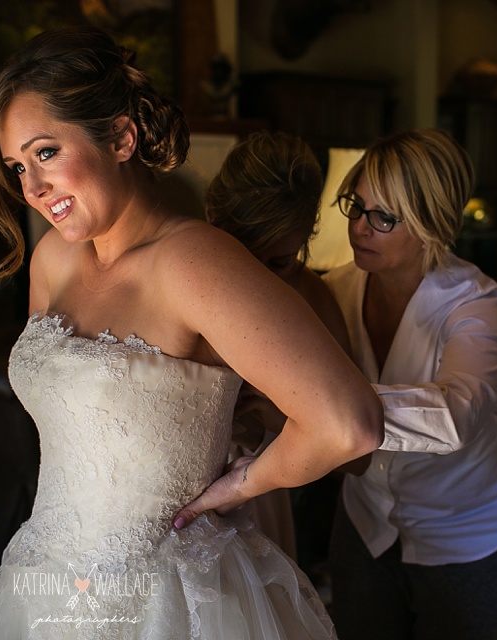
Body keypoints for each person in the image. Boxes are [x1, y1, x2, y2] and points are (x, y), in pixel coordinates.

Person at [0, 25, 383, 639]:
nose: (31, 188)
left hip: (168, 598)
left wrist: (238, 486)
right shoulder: (53, 258)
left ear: (121, 137)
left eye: (46, 152)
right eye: (16, 166)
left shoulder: (195, 262)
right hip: (49, 578)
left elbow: (348, 423)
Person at [323, 128, 497, 640]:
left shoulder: (475, 303)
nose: (360, 227)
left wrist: (326, 404)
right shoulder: (335, 289)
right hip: (367, 519)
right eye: (356, 206)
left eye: (383, 217)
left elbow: (456, 413)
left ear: (431, 225)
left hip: (474, 526)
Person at [203, 129, 351, 566]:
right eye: (244, 254)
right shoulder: (177, 270)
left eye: (279, 264)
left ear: (306, 240)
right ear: (212, 217)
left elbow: (355, 456)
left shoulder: (314, 298)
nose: (260, 282)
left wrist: (275, 410)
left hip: (256, 491)